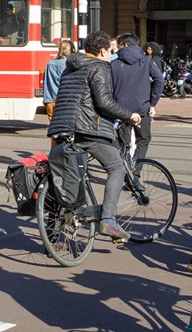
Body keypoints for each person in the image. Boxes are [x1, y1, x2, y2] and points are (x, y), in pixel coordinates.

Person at [48, 30, 142, 242]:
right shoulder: (99, 67)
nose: (112, 55)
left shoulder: (71, 66)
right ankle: (108, 219)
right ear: (101, 51)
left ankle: (52, 237)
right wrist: (130, 116)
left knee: (60, 179)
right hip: (86, 129)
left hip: (61, 128)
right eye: (110, 51)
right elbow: (103, 102)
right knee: (116, 167)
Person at [111, 34, 162, 160]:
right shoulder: (146, 61)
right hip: (142, 106)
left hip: (120, 108)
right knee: (143, 139)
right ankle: (135, 171)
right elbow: (159, 80)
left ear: (125, 45)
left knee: (123, 143)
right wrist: (152, 102)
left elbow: (109, 87)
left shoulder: (113, 64)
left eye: (119, 45)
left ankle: (124, 170)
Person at [42, 39, 73, 121]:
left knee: (54, 127)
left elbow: (46, 83)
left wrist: (47, 100)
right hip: (66, 101)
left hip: (51, 100)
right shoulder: (70, 65)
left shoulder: (50, 63)